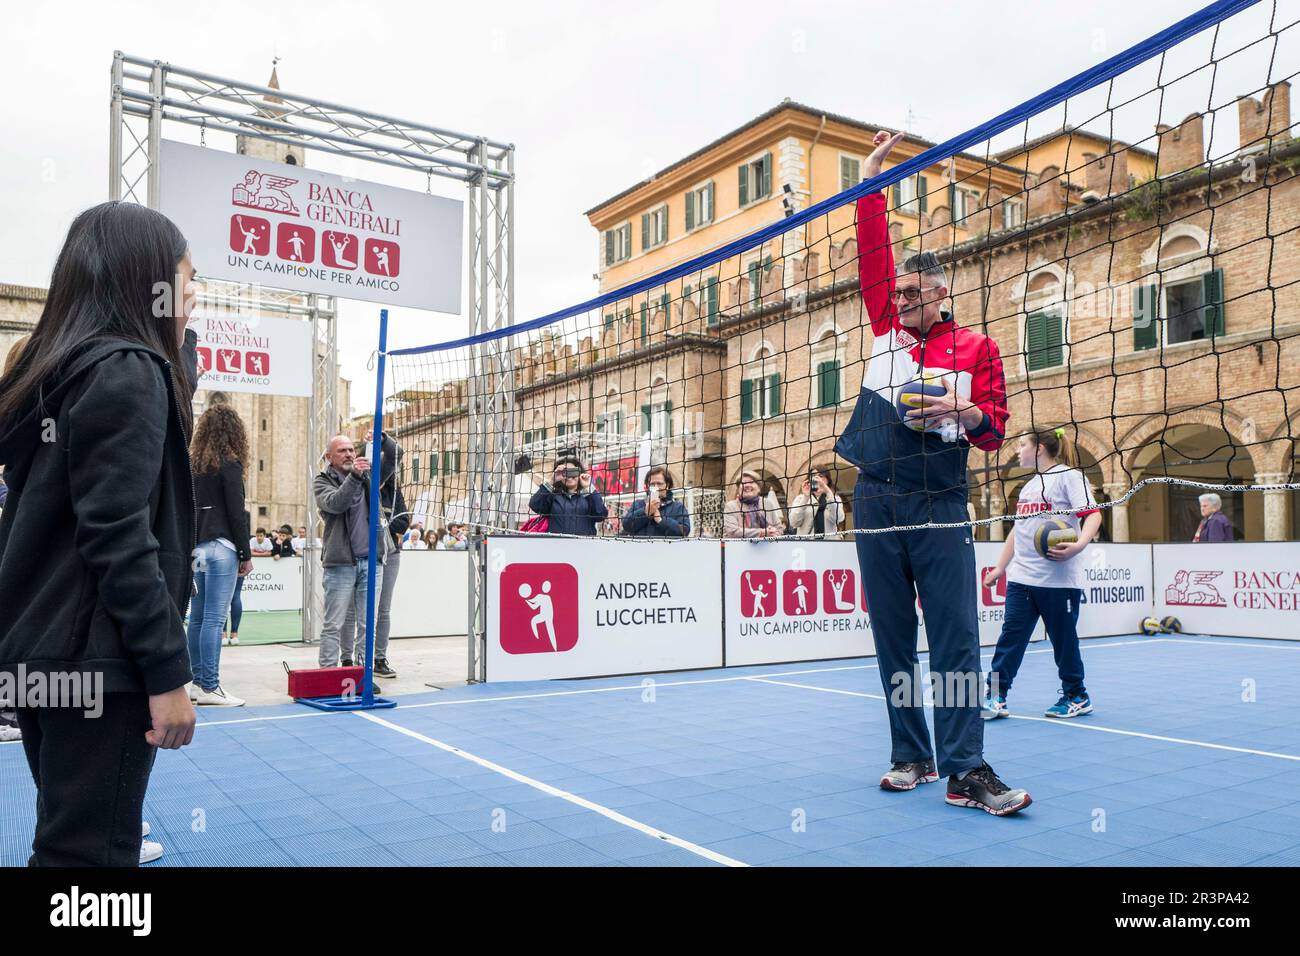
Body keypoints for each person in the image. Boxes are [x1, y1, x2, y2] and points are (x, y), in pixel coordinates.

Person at [833, 131, 1029, 815]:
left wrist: (967, 409)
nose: (903, 297)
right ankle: (909, 754)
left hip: (941, 500)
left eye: (916, 290)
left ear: (941, 293)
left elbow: (997, 433)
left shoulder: (977, 347)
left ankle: (965, 770)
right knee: (892, 638)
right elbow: (872, 252)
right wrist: (870, 182)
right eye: (901, 288)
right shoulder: (886, 324)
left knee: (953, 638)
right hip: (876, 498)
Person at [0, 201, 198, 865]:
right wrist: (166, 672)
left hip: (44, 658)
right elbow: (118, 533)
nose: (194, 294)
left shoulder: (58, 375)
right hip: (99, 664)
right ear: (150, 281)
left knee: (69, 840)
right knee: (90, 857)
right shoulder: (129, 372)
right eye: (186, 277)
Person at [982, 428, 1103, 720]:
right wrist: (1001, 566)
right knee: (1010, 638)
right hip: (1022, 578)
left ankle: (1077, 695)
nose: (1018, 450)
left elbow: (1093, 514)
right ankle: (995, 696)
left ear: (1039, 449)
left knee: (1063, 641)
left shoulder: (1069, 476)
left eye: (1022, 444)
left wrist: (1079, 546)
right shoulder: (1029, 486)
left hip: (1059, 580)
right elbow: (1018, 530)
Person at [187, 404, 253, 707]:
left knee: (198, 619)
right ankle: (210, 686)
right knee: (214, 619)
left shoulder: (193, 467)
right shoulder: (230, 464)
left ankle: (196, 683)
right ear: (234, 431)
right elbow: (237, 514)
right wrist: (245, 553)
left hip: (197, 548)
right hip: (222, 546)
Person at [313, 434, 394, 668]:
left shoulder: (369, 474)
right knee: (333, 623)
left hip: (371, 562)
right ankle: (328, 672)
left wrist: (383, 439)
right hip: (340, 563)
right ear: (329, 457)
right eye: (342, 451)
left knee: (368, 623)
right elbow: (337, 503)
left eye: (351, 450)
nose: (349, 454)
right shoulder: (322, 481)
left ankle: (363, 673)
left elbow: (395, 456)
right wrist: (355, 476)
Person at [340, 429, 407, 677]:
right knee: (352, 612)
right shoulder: (354, 481)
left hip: (387, 553)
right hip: (357, 554)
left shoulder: (390, 487)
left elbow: (403, 521)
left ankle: (377, 658)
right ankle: (348, 660)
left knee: (382, 610)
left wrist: (382, 438)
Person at [528, 454, 609, 536]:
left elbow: (601, 515)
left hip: (584, 546)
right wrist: (552, 480)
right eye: (565, 472)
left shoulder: (588, 497)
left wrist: (588, 487)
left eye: (572, 471)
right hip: (556, 545)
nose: (569, 476)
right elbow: (535, 505)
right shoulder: (552, 496)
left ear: (579, 473)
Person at [621, 466, 691, 537]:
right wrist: (645, 512)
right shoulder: (638, 504)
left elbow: (684, 531)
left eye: (659, 483)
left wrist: (660, 520)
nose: (655, 487)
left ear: (667, 485)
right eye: (652, 484)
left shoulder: (678, 507)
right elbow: (626, 526)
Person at [723, 471, 786, 538]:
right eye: (743, 483)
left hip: (767, 546)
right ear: (738, 489)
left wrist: (773, 532)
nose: (747, 485)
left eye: (751, 482)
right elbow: (733, 531)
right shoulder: (731, 506)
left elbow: (779, 528)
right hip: (739, 547)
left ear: (759, 488)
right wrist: (762, 532)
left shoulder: (767, 503)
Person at [788, 466, 845, 538]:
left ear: (827, 480)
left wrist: (827, 491)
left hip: (829, 544)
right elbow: (794, 522)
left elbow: (839, 518)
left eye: (821, 476)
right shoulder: (800, 499)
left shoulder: (835, 498)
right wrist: (805, 498)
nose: (817, 478)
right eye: (813, 476)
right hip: (806, 545)